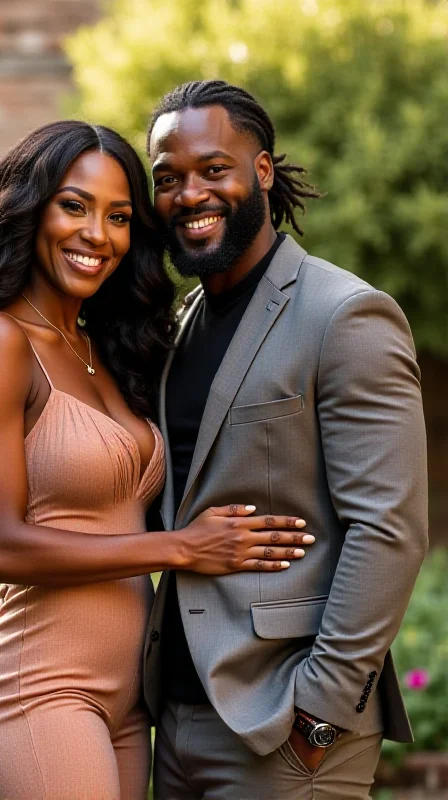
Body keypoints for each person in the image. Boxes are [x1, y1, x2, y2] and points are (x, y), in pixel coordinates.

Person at [0, 120, 315, 799]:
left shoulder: (104, 348)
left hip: (128, 702)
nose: (97, 234)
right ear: (27, 209)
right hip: (39, 689)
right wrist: (180, 549)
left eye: (119, 216)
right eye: (74, 206)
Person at [143, 80, 428, 800]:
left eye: (214, 169)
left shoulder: (346, 316)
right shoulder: (182, 323)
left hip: (284, 734)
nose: (189, 194)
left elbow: (389, 530)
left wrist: (320, 719)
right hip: (173, 720)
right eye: (167, 179)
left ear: (262, 172)